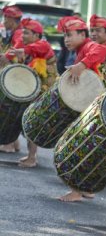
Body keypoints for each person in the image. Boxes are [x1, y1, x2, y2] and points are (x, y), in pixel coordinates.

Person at [56, 16, 106, 202]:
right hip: (91, 105)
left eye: (70, 35)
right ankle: (84, 188)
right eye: (65, 36)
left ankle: (77, 191)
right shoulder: (81, 48)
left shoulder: (89, 46)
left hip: (93, 106)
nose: (67, 40)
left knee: (79, 147)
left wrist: (81, 64)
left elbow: (101, 51)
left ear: (82, 34)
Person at [9, 18, 58, 167]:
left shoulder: (42, 44)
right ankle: (27, 153)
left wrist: (22, 51)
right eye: (23, 32)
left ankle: (32, 157)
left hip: (42, 93)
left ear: (36, 35)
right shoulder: (29, 46)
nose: (22, 35)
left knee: (33, 124)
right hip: (35, 92)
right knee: (29, 123)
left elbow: (38, 49)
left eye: (26, 33)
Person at [0, 5, 24, 153]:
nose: (3, 20)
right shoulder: (11, 31)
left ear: (10, 19)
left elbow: (15, 50)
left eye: (5, 18)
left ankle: (9, 144)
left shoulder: (20, 33)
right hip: (15, 75)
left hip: (16, 77)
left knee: (10, 107)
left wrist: (4, 57)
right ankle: (14, 143)